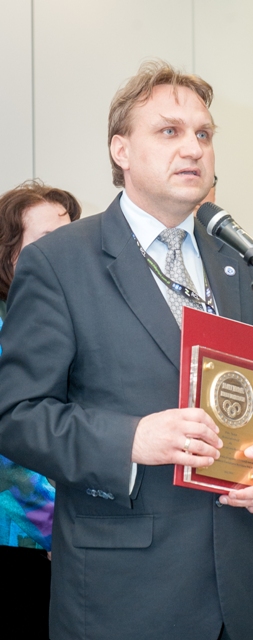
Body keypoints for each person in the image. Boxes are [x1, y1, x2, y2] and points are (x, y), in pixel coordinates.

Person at [0, 61, 253, 640]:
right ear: (120, 150)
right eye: (169, 131)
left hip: (250, 592)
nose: (193, 147)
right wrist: (130, 440)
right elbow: (17, 416)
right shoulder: (60, 262)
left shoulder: (240, 262)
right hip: (127, 597)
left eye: (204, 133)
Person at [0, 180, 81, 638]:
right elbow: (8, 456)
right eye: (48, 240)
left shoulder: (63, 317)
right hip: (22, 540)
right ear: (9, 251)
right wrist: (56, 528)